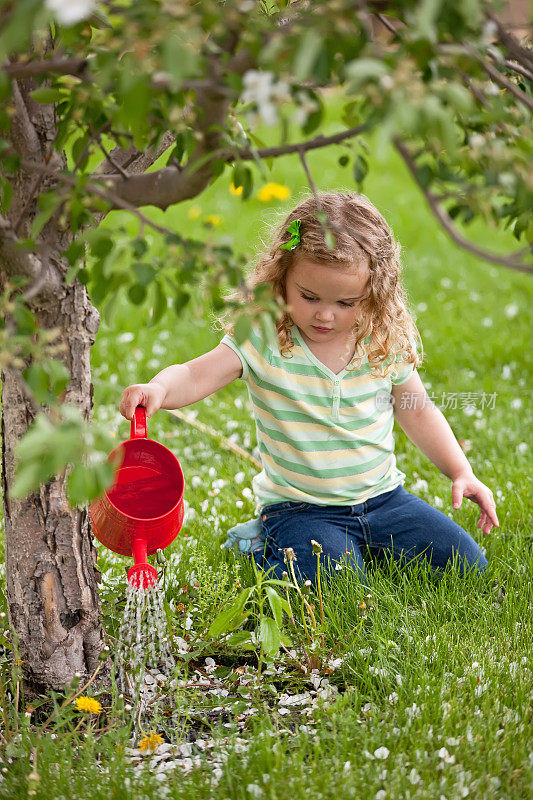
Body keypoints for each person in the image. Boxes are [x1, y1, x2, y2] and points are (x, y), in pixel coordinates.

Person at [119, 191, 497, 587]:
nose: (325, 314)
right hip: (301, 508)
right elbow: (197, 375)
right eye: (309, 297)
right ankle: (264, 541)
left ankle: (356, 545)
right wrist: (159, 388)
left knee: (465, 563)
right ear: (282, 279)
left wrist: (460, 470)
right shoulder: (264, 336)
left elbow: (416, 409)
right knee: (332, 583)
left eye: (346, 302)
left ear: (373, 294)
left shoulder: (380, 340)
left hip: (384, 500)